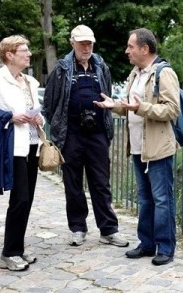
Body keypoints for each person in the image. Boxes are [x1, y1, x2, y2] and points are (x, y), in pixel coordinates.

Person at [94, 28, 180, 265]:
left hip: (158, 148)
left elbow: (172, 110)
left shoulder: (164, 73)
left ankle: (165, 247)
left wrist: (140, 108)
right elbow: (133, 106)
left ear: (144, 48)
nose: (127, 51)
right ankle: (147, 243)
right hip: (137, 147)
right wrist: (115, 106)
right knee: (144, 198)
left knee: (162, 198)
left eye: (130, 46)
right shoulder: (136, 73)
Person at [42, 25, 128, 248]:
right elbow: (50, 105)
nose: (86, 47)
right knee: (73, 184)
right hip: (71, 136)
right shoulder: (61, 70)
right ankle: (78, 228)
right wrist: (61, 129)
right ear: (72, 43)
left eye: (89, 43)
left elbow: (108, 96)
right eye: (82, 43)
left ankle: (109, 230)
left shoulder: (101, 67)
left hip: (97, 134)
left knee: (101, 183)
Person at [0, 35, 43, 271]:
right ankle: (10, 253)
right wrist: (9, 117)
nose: (29, 54)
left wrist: (38, 118)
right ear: (10, 55)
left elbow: (34, 113)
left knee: (27, 201)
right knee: (20, 199)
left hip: (33, 146)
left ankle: (18, 249)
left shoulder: (31, 82)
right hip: (13, 148)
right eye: (24, 50)